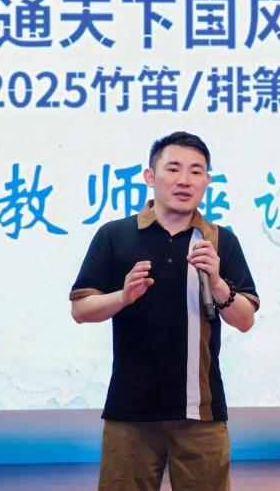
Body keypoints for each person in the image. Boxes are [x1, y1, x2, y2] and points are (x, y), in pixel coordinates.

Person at [70, 131, 260, 491]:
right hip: (130, 414)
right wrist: (123, 297)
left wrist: (218, 283)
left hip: (201, 414)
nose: (184, 180)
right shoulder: (115, 235)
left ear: (207, 181)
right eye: (173, 169)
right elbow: (81, 309)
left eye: (196, 171)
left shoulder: (220, 240)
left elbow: (245, 319)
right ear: (150, 176)